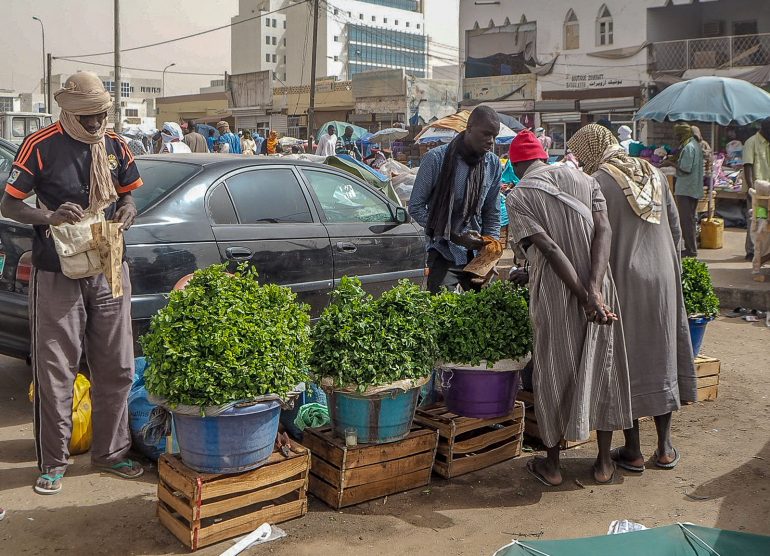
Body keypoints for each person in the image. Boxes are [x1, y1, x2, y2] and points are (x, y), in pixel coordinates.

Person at [0, 72, 145, 495]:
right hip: (57, 269)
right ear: (68, 112)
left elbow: (128, 194)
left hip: (108, 263)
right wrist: (48, 217)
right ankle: (54, 461)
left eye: (101, 115)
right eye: (87, 117)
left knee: (117, 365)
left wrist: (128, 211)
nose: (96, 123)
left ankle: (112, 451)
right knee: (55, 369)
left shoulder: (116, 146)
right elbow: (9, 202)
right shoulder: (40, 146)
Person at [567, 124, 697, 473]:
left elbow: (589, 239)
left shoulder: (597, 183)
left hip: (622, 280)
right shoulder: (652, 172)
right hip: (663, 280)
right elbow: (676, 230)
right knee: (661, 356)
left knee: (626, 363)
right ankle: (666, 447)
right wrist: (672, 269)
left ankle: (634, 450)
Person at [506, 129, 632, 486]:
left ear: (517, 165)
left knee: (554, 367)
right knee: (604, 365)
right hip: (600, 285)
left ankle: (553, 466)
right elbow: (603, 230)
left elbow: (549, 248)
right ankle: (604, 462)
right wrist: (595, 292)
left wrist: (580, 295)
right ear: (542, 158)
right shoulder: (585, 178)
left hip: (559, 292)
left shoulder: (519, 195)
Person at [408, 106, 502, 293]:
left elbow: (492, 212)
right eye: (486, 134)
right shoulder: (435, 159)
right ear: (469, 128)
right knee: (441, 312)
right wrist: (454, 235)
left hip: (478, 256)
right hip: (444, 251)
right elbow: (416, 207)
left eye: (494, 136)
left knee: (485, 310)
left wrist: (490, 255)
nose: (491, 141)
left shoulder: (492, 164)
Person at [661, 123, 703, 258]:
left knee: (686, 220)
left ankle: (691, 250)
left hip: (686, 188)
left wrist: (669, 164)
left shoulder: (689, 147)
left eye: (678, 135)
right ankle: (691, 248)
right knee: (689, 220)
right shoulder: (692, 145)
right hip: (692, 188)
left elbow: (685, 168)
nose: (677, 138)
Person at [742, 118, 770, 262]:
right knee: (756, 220)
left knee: (766, 223)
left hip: (768, 193)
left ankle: (765, 252)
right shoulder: (751, 142)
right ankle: (751, 251)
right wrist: (752, 191)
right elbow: (748, 167)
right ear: (765, 129)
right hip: (756, 193)